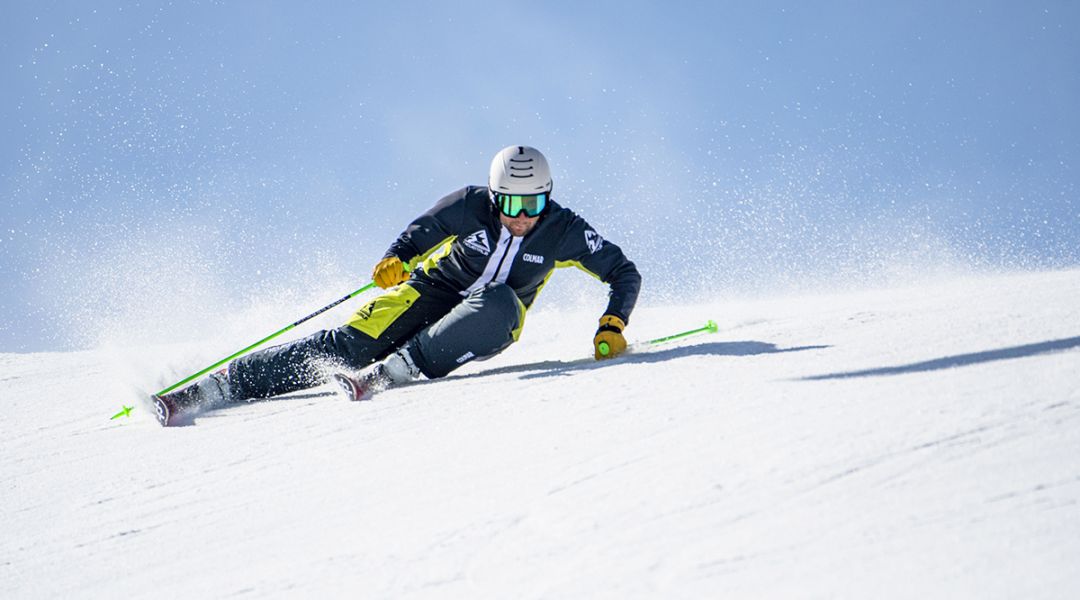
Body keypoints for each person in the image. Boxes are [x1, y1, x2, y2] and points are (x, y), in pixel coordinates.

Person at [153, 145, 641, 425]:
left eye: (531, 205)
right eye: (510, 205)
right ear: (494, 197)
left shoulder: (565, 230)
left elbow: (624, 272)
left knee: (497, 300)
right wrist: (395, 260)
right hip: (432, 290)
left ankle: (393, 372)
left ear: (547, 198)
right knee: (346, 344)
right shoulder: (469, 204)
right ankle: (219, 385)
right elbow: (422, 231)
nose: (520, 218)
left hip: (487, 318)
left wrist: (612, 324)